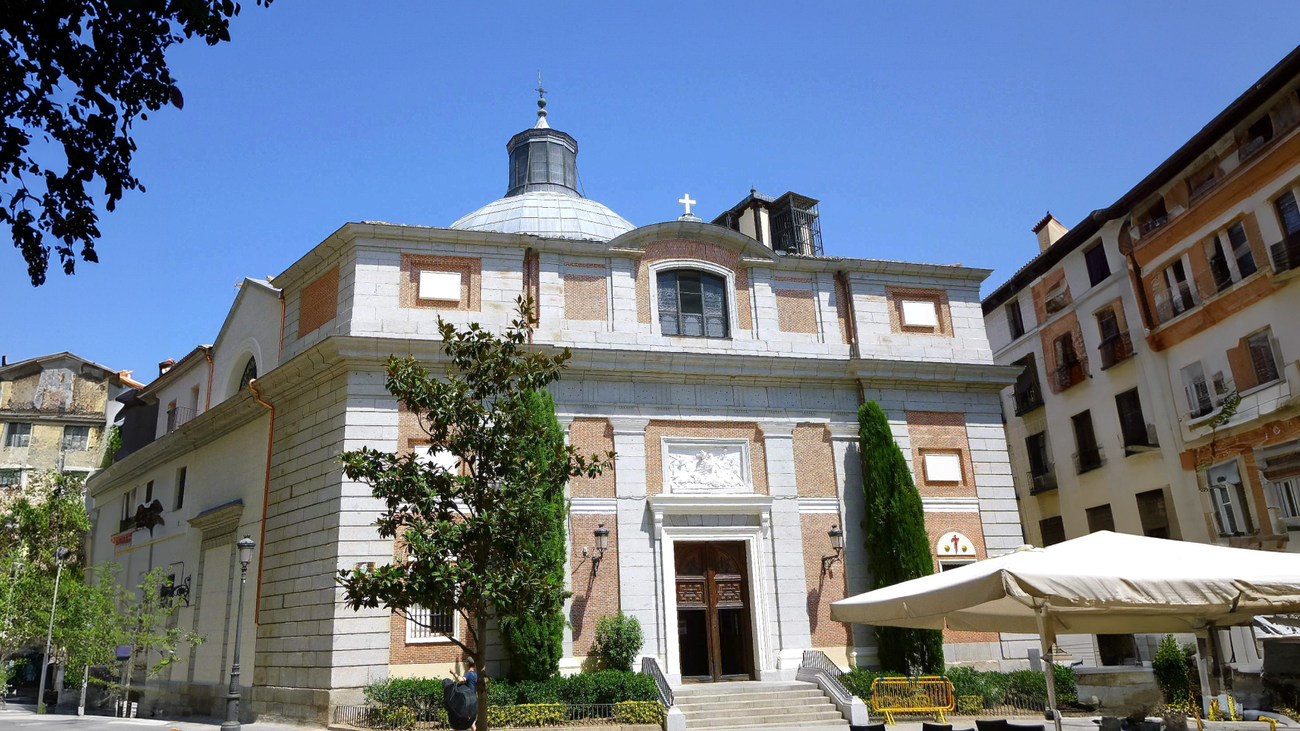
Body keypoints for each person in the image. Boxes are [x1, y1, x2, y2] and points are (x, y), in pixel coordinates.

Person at [443, 662, 479, 731]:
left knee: (464, 720)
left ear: (467, 664)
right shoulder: (475, 675)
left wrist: (454, 673)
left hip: (467, 701)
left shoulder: (469, 674)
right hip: (473, 700)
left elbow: (461, 680)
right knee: (469, 721)